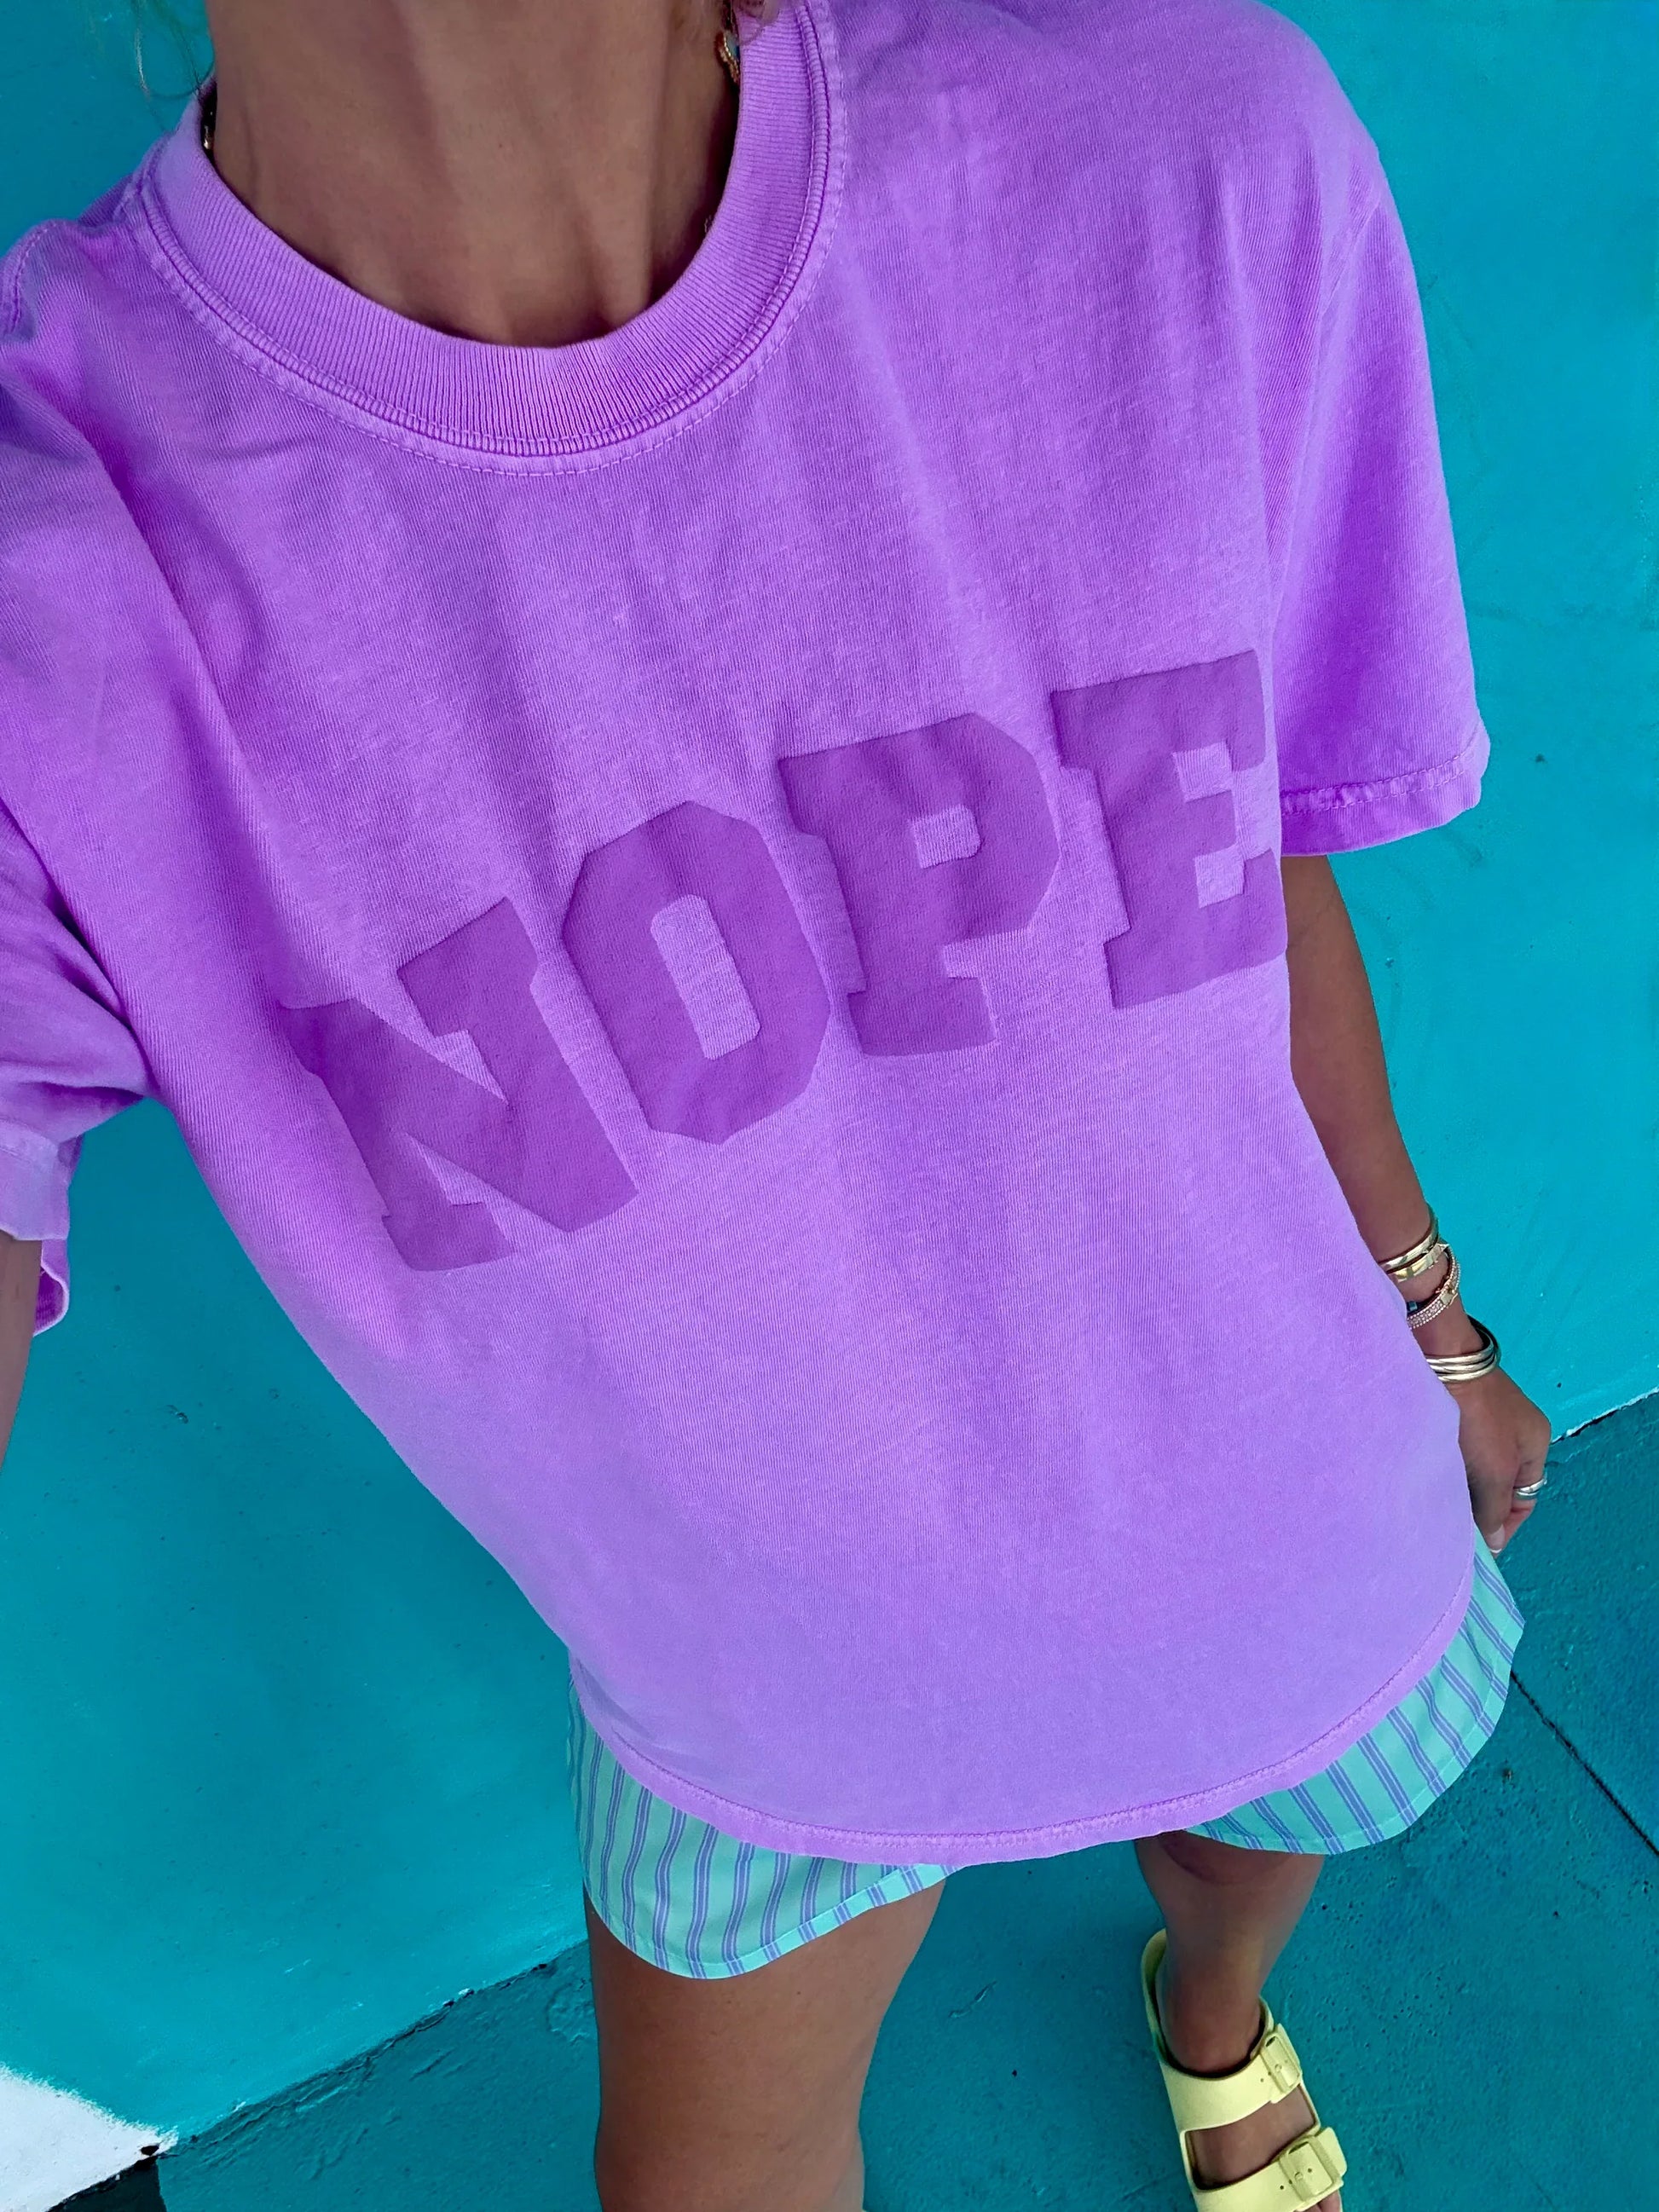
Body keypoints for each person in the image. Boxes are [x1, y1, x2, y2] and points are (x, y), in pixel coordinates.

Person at [0, 0, 1552, 2203]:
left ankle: (1207, 2009)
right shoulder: (58, 582)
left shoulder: (1179, 154)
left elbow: (1242, 860)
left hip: (1279, 1535)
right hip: (760, 1722)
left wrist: (1429, 1312)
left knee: (1243, 1866)